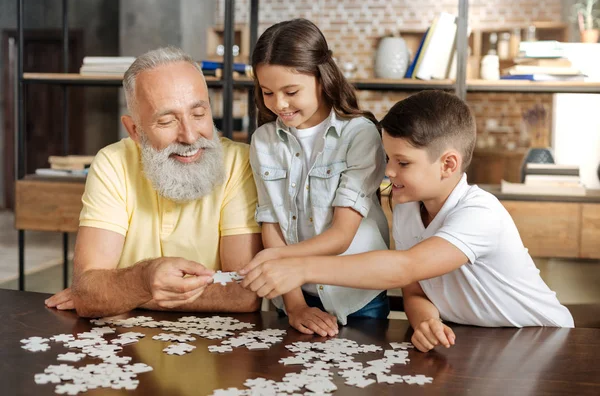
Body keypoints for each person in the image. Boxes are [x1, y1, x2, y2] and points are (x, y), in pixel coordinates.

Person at [240, 90, 574, 351]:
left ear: (448, 164)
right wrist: (426, 320)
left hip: (546, 340)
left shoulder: (481, 214)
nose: (388, 171)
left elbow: (405, 268)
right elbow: (414, 290)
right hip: (479, 339)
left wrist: (300, 268)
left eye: (403, 162)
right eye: (388, 158)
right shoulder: (406, 208)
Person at [45, 46, 262, 317]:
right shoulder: (112, 163)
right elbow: (88, 291)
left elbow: (243, 293)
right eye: (167, 121)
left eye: (198, 114)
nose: (190, 136)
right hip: (125, 351)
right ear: (135, 130)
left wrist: (130, 290)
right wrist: (142, 279)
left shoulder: (238, 163)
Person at [246, 18, 391, 338]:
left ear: (322, 79)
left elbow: (341, 236)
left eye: (291, 91)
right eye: (267, 92)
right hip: (293, 297)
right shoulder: (263, 141)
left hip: (356, 297)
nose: (279, 104)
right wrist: (295, 303)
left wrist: (273, 260)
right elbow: (271, 223)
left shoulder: (360, 135)